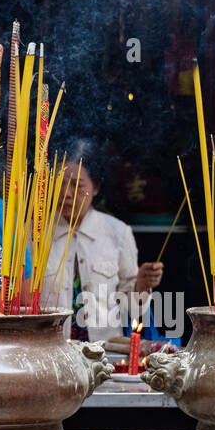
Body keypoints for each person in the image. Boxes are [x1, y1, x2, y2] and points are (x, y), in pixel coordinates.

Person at [39, 140, 163, 342]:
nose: (67, 194)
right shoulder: (32, 234)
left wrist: (140, 285)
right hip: (50, 352)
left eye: (77, 186)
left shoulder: (118, 233)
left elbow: (131, 308)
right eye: (59, 183)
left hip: (105, 353)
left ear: (95, 187)